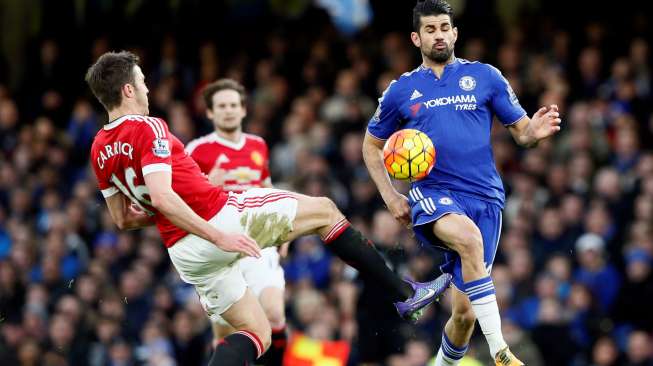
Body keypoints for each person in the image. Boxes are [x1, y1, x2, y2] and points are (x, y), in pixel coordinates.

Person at [85, 51, 452, 366]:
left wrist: (187, 223)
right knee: (324, 210)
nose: (148, 89)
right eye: (143, 82)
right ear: (128, 89)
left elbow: (123, 219)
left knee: (256, 333)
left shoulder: (99, 148)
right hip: (220, 218)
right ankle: (406, 294)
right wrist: (218, 235)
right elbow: (163, 197)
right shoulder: (148, 128)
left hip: (184, 252)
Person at [362, 1, 561, 365]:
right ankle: (500, 350)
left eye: (444, 28)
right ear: (416, 37)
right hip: (433, 194)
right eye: (430, 29)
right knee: (467, 239)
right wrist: (391, 196)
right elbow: (371, 145)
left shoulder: (486, 77)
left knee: (465, 315)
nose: (438, 35)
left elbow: (522, 134)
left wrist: (537, 130)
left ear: (455, 33)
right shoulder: (401, 90)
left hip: (485, 198)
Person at [186, 78, 288, 366]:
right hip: (221, 247)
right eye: (221, 106)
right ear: (210, 113)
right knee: (226, 330)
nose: (228, 111)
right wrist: (208, 183)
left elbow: (267, 186)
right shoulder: (197, 150)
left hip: (258, 240)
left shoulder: (258, 145)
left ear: (243, 110)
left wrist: (283, 230)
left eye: (233, 105)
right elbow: (183, 201)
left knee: (274, 313)